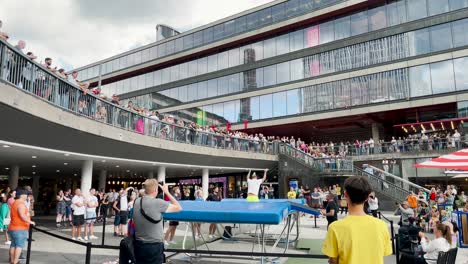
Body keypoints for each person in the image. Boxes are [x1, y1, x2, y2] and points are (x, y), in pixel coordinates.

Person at [322, 176, 392, 264]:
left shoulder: (335, 227)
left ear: (345, 194)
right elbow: (384, 253)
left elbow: (333, 260)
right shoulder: (382, 225)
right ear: (367, 197)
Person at [133, 179, 182, 264]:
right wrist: (167, 192)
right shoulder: (158, 203)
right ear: (156, 190)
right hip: (154, 245)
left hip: (138, 244)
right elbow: (178, 207)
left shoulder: (137, 201)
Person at [8, 188, 35, 264]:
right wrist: (30, 222)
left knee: (13, 245)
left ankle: (12, 261)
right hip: (20, 228)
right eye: (26, 194)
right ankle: (15, 262)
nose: (27, 196)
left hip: (13, 227)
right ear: (22, 195)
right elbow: (22, 215)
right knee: (19, 246)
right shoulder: (20, 204)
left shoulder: (15, 202)